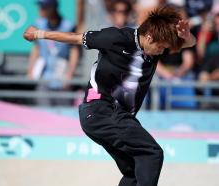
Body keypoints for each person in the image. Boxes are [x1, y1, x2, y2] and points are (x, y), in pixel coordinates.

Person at [23, 6, 196, 186]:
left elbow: (190, 43)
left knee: (134, 170)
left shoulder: (156, 46)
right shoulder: (115, 38)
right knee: (151, 153)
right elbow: (75, 38)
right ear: (150, 36)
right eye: (160, 48)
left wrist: (186, 36)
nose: (161, 52)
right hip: (100, 110)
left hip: (115, 117)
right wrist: (38, 34)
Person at [28, 0, 80, 106]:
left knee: (64, 112)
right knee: (43, 112)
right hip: (44, 76)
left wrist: (70, 75)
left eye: (43, 7)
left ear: (52, 8)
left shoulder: (68, 26)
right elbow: (36, 48)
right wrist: (30, 70)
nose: (40, 9)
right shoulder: (39, 24)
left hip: (62, 77)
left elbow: (74, 52)